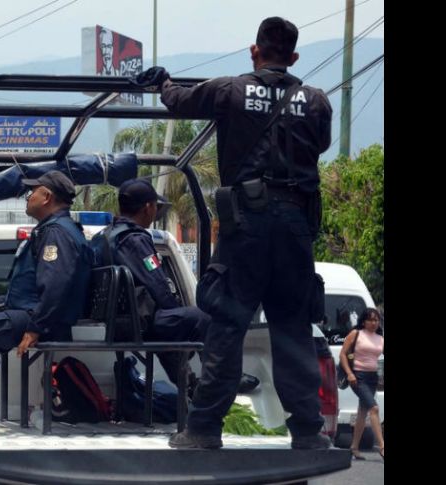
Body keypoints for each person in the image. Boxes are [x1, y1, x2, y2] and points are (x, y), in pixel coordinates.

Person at [137, 17, 333, 450]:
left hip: (247, 226)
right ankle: (307, 430)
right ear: (294, 56)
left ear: (254, 50)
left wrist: (162, 81)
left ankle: (205, 428)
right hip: (297, 228)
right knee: (293, 328)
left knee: (227, 325)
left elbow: (178, 101)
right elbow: (319, 145)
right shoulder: (316, 101)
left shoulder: (231, 89)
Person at [0, 170, 92, 436]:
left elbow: (56, 286)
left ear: (47, 196)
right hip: (35, 312)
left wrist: (36, 326)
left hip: (48, 320)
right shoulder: (50, 231)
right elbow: (33, 283)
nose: (27, 198)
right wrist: (1, 302)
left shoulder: (57, 234)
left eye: (32, 192)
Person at [91, 179, 257, 397]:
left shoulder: (103, 237)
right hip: (137, 323)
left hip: (117, 322)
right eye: (155, 207)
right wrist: (174, 308)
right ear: (148, 207)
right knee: (203, 318)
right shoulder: (135, 239)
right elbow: (157, 283)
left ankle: (189, 385)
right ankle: (224, 378)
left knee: (169, 327)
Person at [340, 308, 384, 460]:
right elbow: (343, 354)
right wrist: (350, 373)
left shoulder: (380, 338)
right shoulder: (356, 334)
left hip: (373, 377)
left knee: (362, 412)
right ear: (364, 321)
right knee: (374, 408)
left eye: (376, 320)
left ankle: (354, 447)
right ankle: (383, 447)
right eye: (370, 320)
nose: (373, 323)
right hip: (358, 376)